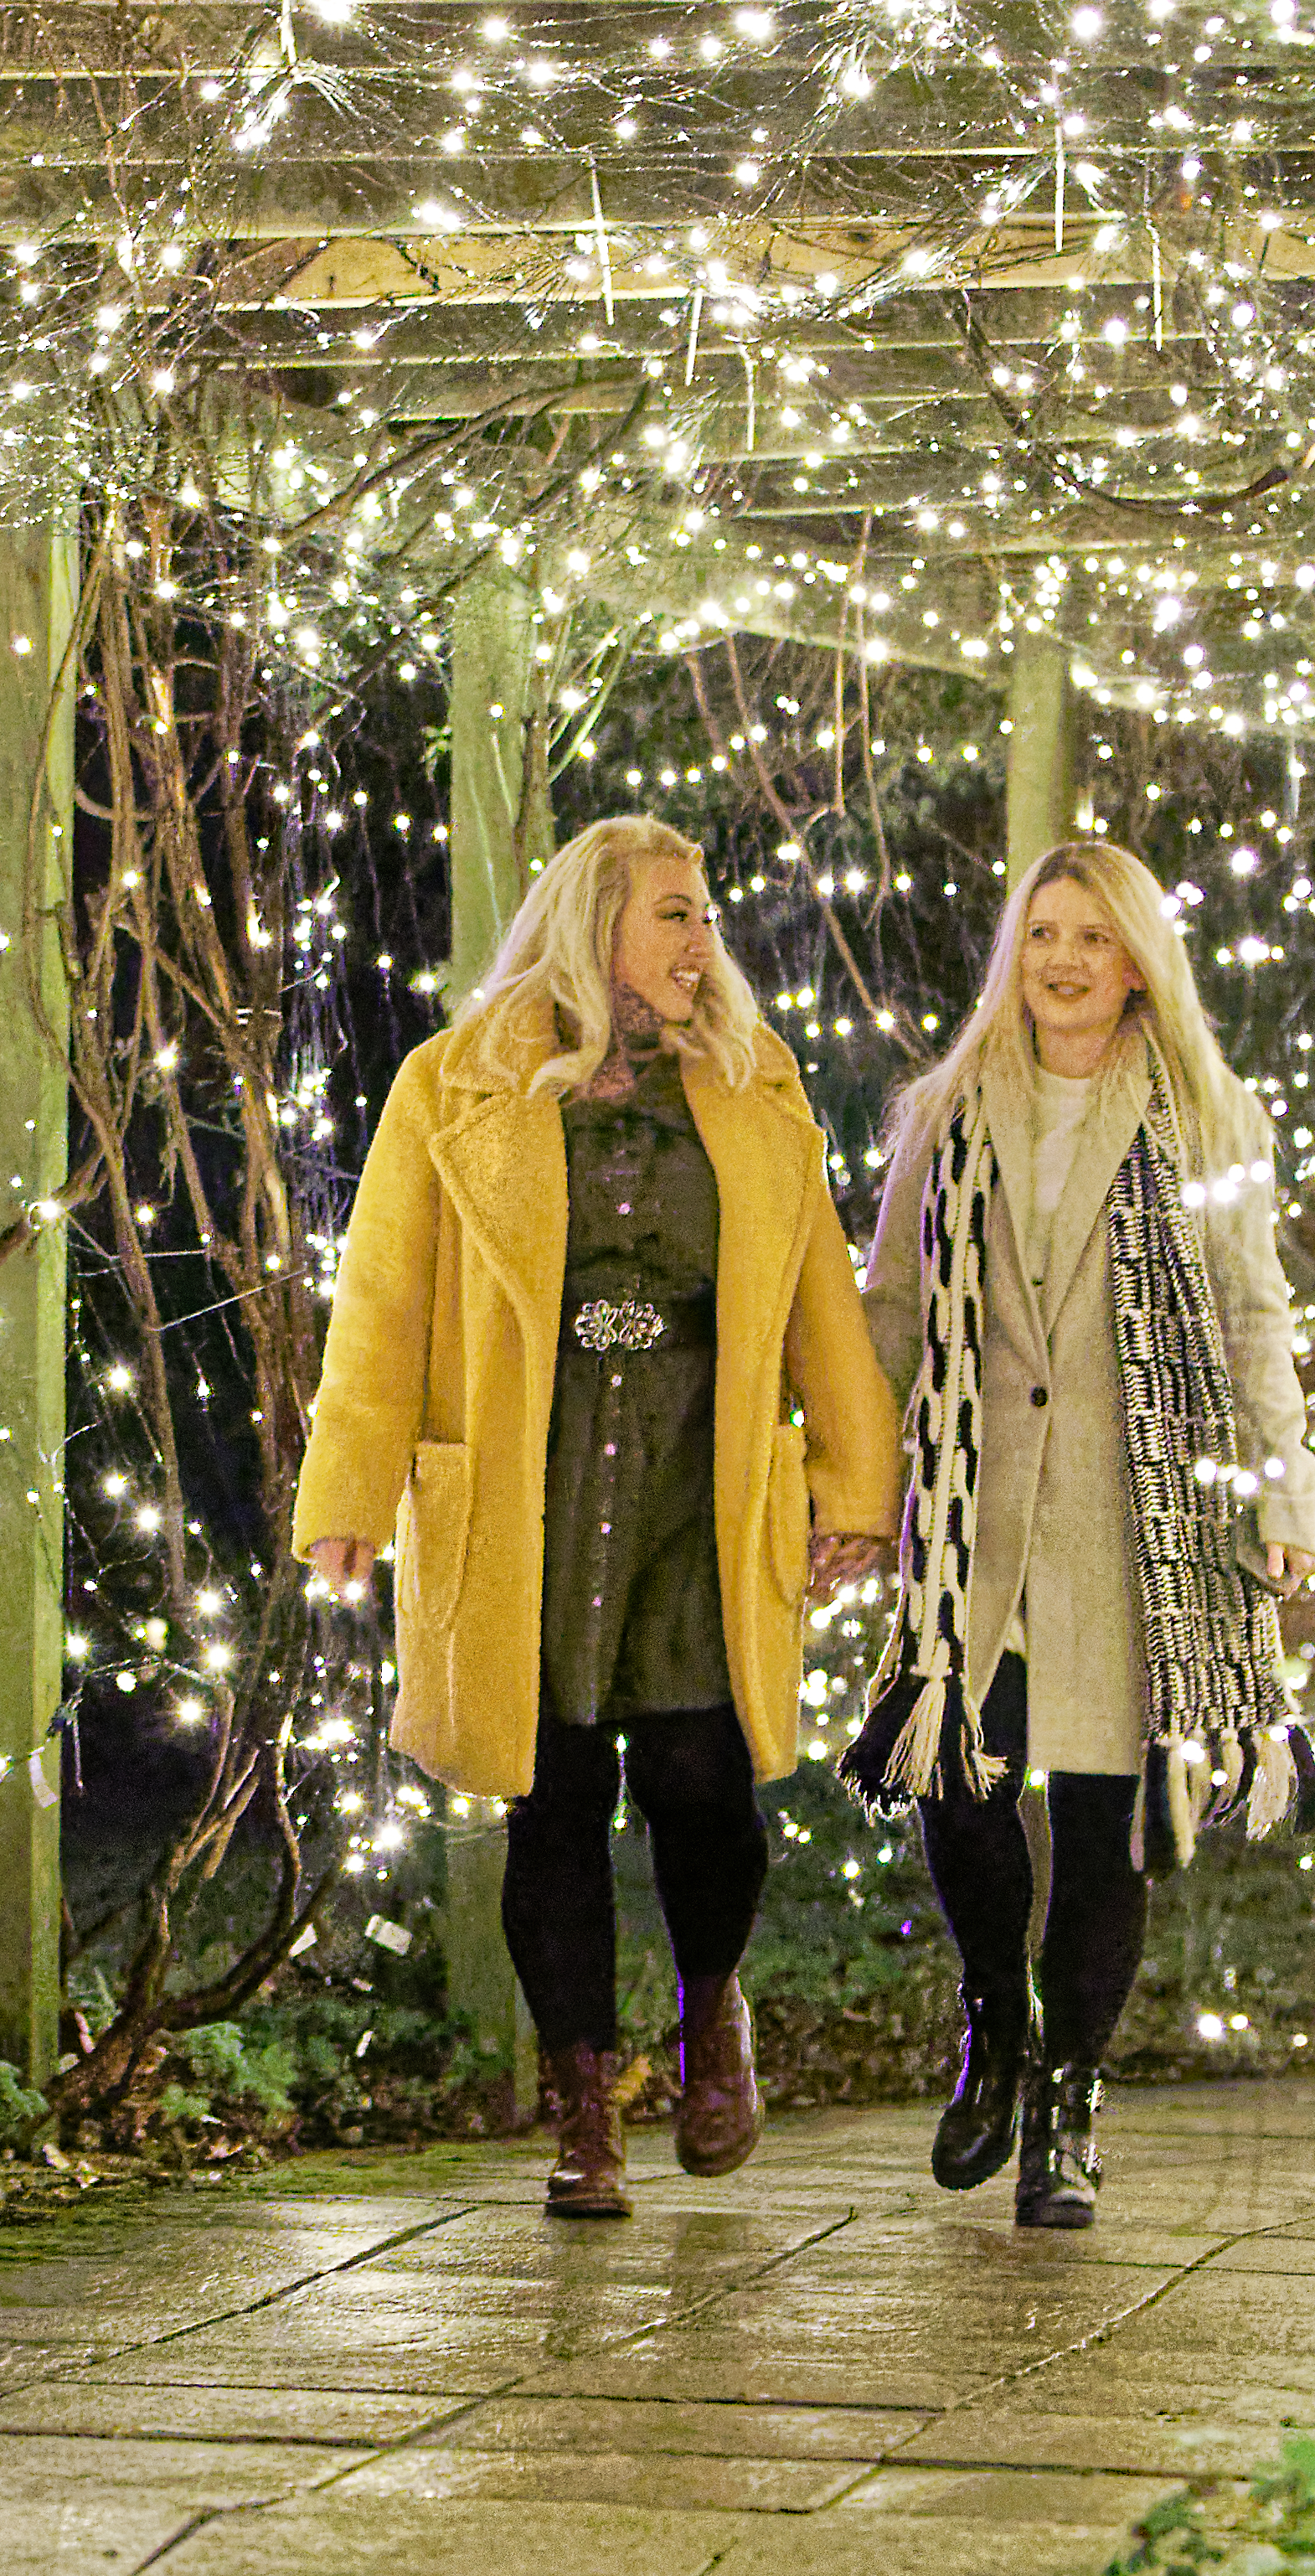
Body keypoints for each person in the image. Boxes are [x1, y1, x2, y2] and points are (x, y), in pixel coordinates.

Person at [297, 816, 901, 2217]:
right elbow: (380, 1300)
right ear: (597, 926)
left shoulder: (753, 1080)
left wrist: (856, 1488)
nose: (704, 944)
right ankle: (583, 2115)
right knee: (551, 1788)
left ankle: (714, 2016)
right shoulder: (457, 1083)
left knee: (704, 1772)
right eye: (677, 916)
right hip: (530, 1470)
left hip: (703, 1464)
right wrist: (349, 1496)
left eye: (705, 918)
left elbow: (819, 1289)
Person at [845, 839, 1315, 2228]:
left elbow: (1251, 1312)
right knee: (960, 1780)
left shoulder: (1210, 1115)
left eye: (1094, 938)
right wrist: (851, 1494)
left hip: (1144, 1508)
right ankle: (995, 2016)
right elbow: (890, 1307)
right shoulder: (946, 1109)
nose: (1065, 961)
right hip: (974, 1500)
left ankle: (1069, 2096)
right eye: (1043, 933)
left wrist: (1281, 1491)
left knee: (1110, 1816)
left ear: (1138, 963)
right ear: (1018, 952)